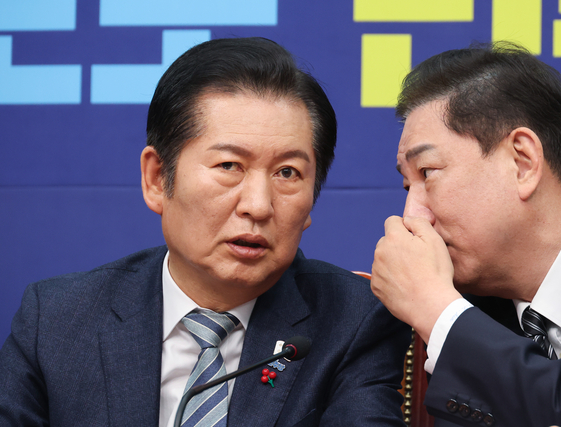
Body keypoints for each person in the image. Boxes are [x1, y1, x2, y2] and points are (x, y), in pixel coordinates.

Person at [0, 37, 410, 427]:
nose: (258, 206)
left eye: (288, 173)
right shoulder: (57, 321)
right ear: (157, 179)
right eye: (229, 166)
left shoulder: (354, 322)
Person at [370, 42, 561, 427]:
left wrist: (435, 307)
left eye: (428, 173)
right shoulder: (474, 309)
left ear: (522, 162)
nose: (411, 215)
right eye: (406, 186)